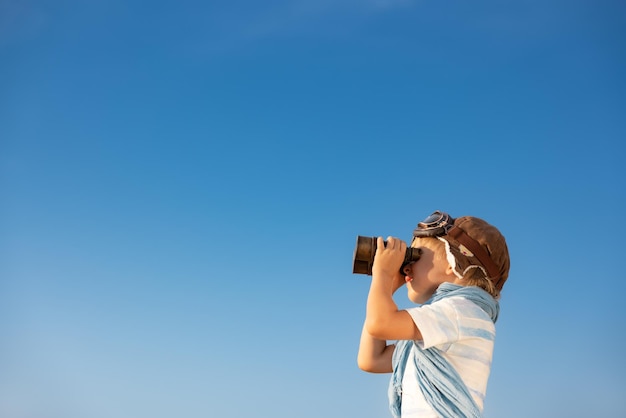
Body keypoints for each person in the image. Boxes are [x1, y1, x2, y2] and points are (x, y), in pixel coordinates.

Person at [357, 210, 510, 418]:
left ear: (452, 262)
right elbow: (371, 359)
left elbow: (380, 324)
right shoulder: (443, 326)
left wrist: (383, 276)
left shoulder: (461, 311)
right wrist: (387, 289)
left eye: (415, 256)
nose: (406, 268)